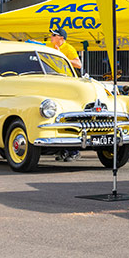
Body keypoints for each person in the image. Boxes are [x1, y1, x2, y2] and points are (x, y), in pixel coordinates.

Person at [45, 27, 83, 162]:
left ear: (61, 38)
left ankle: (73, 150)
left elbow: (78, 64)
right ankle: (63, 150)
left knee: (69, 116)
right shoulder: (49, 45)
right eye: (51, 34)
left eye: (54, 35)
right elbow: (38, 45)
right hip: (54, 84)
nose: (51, 36)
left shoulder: (68, 48)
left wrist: (62, 56)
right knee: (56, 116)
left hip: (67, 85)